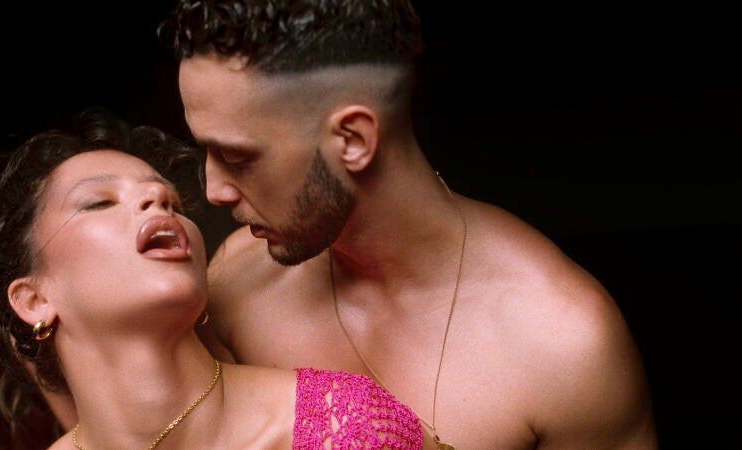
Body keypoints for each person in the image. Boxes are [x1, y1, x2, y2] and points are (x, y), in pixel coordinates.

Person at [158, 1, 659, 448]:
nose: (214, 190)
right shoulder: (236, 285)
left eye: (236, 157)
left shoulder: (563, 343)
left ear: (353, 140)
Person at [0, 108, 424, 449]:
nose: (155, 200)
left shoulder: (345, 428)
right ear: (32, 301)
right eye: (99, 202)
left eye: (173, 203)